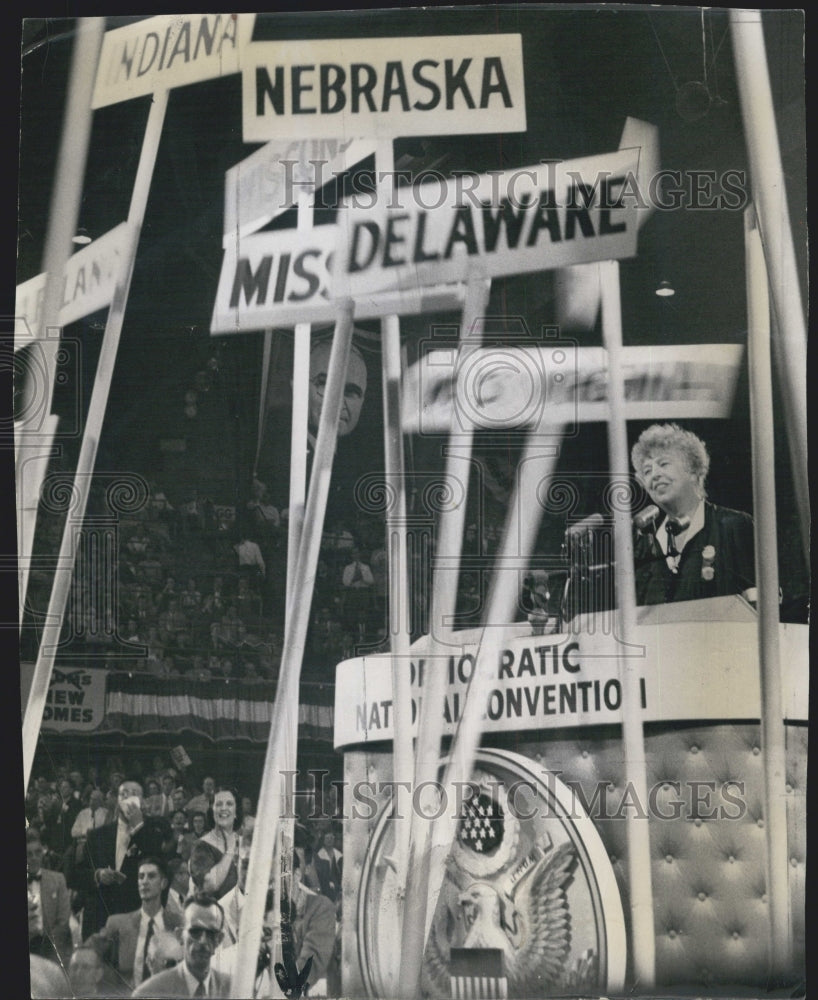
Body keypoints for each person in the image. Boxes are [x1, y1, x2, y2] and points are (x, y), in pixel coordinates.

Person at [631, 423, 756, 605]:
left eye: (663, 464)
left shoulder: (733, 526)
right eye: (647, 471)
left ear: (693, 471)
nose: (655, 475)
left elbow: (762, 607)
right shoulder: (645, 548)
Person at [70, 778, 173, 939]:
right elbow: (76, 874)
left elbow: (159, 866)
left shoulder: (154, 832)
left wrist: (138, 827)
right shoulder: (97, 835)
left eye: (134, 794)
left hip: (134, 918)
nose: (128, 798)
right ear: (118, 801)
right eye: (123, 794)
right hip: (99, 918)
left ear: (142, 801)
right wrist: (97, 875)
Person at [96, 857, 182, 993]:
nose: (144, 882)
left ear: (163, 883)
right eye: (141, 877)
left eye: (151, 876)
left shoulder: (178, 924)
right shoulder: (117, 924)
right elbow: (103, 972)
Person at [133, 893, 230, 997]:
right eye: (195, 931)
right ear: (180, 935)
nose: (203, 941)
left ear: (219, 940)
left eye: (211, 933)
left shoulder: (234, 990)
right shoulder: (148, 993)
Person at [27, 828, 72, 964]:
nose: (34, 858)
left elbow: (63, 922)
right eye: (28, 854)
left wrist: (50, 957)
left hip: (51, 949)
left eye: (37, 852)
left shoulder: (57, 880)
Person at [195, 787, 242, 900]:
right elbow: (209, 886)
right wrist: (230, 850)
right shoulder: (202, 845)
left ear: (236, 811)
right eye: (219, 804)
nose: (224, 808)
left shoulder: (245, 842)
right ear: (212, 811)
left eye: (229, 804)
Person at [313, 829, 343, 906]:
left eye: (331, 838)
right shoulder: (320, 854)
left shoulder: (339, 854)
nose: (329, 840)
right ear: (323, 840)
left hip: (338, 884)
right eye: (327, 838)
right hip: (325, 884)